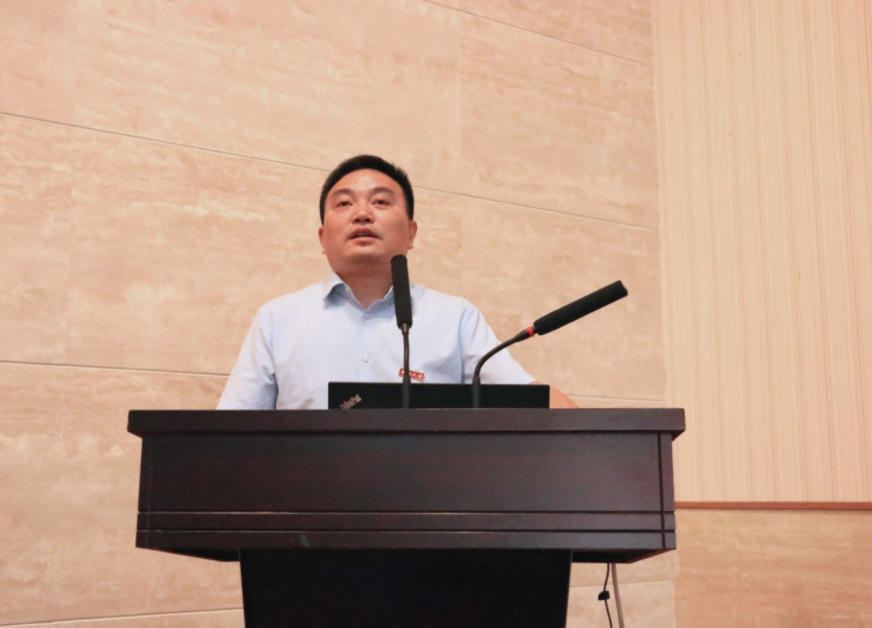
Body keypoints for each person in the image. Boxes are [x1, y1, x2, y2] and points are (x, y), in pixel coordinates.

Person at [218, 155, 577, 410]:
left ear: (410, 233)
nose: (362, 213)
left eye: (380, 201)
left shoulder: (455, 319)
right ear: (323, 238)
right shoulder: (278, 320)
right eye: (343, 204)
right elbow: (228, 434)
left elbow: (531, 401)